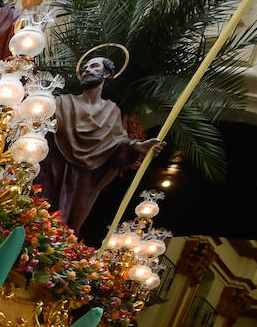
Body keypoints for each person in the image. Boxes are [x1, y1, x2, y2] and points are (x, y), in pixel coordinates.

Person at [36, 57, 163, 233]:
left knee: (65, 227)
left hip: (83, 178)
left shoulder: (112, 111)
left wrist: (137, 147)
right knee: (38, 214)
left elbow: (117, 144)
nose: (87, 70)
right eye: (85, 68)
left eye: (94, 66)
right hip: (52, 169)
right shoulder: (61, 102)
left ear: (107, 73)